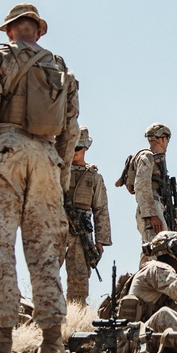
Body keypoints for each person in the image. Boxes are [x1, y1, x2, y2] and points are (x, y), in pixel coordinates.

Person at [0, 2, 79, 353]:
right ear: (38, 31)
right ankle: (53, 344)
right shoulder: (62, 69)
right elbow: (70, 130)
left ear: (10, 30)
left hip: (7, 150)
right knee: (45, 251)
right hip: (47, 159)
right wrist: (61, 177)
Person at [63, 126, 111, 306]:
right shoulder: (58, 171)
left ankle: (76, 314)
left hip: (81, 229)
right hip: (58, 224)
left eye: (78, 148)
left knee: (79, 276)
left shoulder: (94, 176)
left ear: (86, 148)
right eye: (71, 147)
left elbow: (101, 209)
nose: (74, 152)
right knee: (46, 270)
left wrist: (100, 240)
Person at [133, 123, 174, 247]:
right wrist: (152, 214)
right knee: (159, 249)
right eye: (167, 139)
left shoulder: (156, 159)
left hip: (155, 207)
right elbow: (141, 186)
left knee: (150, 252)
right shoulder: (147, 156)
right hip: (152, 208)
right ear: (162, 138)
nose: (167, 143)